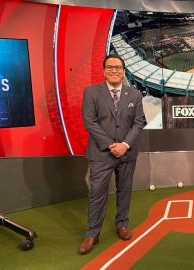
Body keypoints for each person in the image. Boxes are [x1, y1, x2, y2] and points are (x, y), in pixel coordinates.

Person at [79, 54, 146, 254]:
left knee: (124, 191)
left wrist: (124, 144)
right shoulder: (91, 92)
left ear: (124, 71)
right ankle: (92, 233)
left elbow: (138, 122)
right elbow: (89, 121)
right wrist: (111, 145)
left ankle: (122, 224)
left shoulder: (134, 94)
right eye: (110, 67)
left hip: (127, 153)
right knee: (96, 194)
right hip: (101, 153)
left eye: (118, 67)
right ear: (104, 70)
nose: (114, 70)